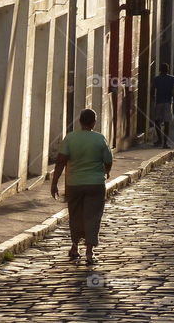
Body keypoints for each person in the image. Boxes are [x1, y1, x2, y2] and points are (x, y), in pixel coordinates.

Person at [50, 109, 112, 264]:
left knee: (75, 215)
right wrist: (107, 172)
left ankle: (75, 246)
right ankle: (89, 252)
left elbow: (61, 161)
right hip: (95, 184)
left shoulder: (70, 138)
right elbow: (108, 160)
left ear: (80, 121)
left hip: (74, 183)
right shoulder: (100, 139)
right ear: (94, 123)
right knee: (93, 216)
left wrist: (54, 182)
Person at [152, 63, 174, 148]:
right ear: (168, 70)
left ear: (160, 70)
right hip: (168, 102)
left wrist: (153, 98)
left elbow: (152, 90)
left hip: (159, 102)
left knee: (157, 121)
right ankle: (165, 143)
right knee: (167, 123)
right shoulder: (172, 78)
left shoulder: (156, 79)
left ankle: (159, 140)